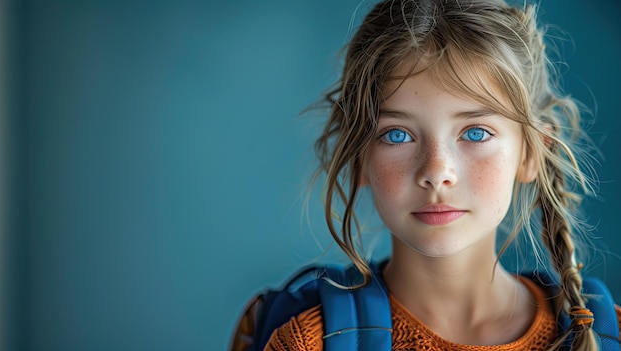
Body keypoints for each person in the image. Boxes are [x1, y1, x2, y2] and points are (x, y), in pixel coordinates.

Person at [264, 0, 621, 350]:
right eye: (397, 134)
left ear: (531, 153)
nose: (437, 172)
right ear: (359, 157)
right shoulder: (306, 344)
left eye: (476, 132)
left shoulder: (608, 335)